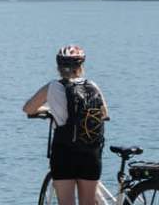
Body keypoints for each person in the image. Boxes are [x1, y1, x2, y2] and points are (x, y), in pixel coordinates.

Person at [21, 44, 109, 205]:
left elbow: (28, 108)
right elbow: (104, 114)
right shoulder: (92, 85)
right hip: (91, 152)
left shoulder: (53, 87)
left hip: (65, 152)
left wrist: (49, 109)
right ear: (81, 66)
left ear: (59, 67)